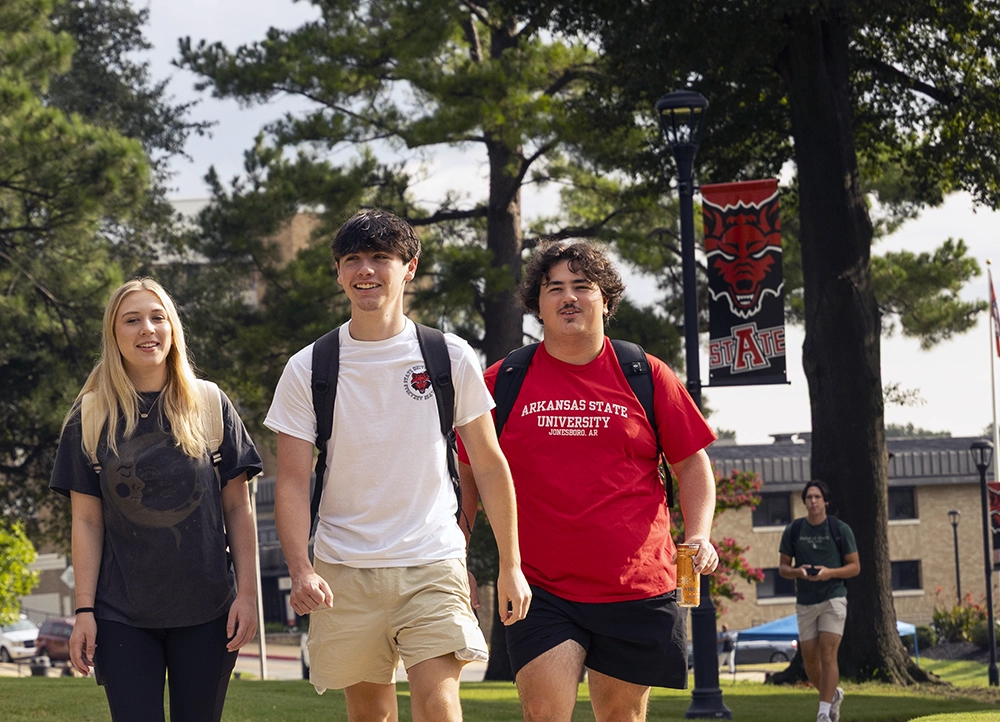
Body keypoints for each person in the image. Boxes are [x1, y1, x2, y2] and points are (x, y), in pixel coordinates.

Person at [265, 209, 531, 722]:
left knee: (437, 704)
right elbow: (294, 483)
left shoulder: (448, 355)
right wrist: (300, 567)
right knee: (371, 714)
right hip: (343, 567)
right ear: (338, 273)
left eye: (381, 258)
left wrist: (510, 566)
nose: (367, 271)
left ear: (409, 267)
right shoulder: (308, 367)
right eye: (353, 260)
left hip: (431, 560)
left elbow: (491, 466)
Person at [459, 240, 721, 722]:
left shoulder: (646, 372)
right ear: (537, 304)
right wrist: (458, 555)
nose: (568, 297)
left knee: (623, 717)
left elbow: (692, 464)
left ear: (606, 299)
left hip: (637, 585)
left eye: (582, 286)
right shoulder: (505, 379)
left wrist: (699, 533)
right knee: (544, 713)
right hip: (539, 586)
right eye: (553, 287)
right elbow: (469, 472)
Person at [49, 278, 263, 722]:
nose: (147, 329)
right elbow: (87, 523)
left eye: (157, 317)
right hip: (120, 614)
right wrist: (84, 611)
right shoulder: (89, 416)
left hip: (208, 611)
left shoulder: (209, 404)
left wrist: (248, 594)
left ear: (172, 328)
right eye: (132, 320)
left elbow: (238, 509)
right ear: (114, 334)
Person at [779, 480, 860, 722]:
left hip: (833, 597)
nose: (812, 501)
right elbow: (783, 568)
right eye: (808, 497)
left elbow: (855, 567)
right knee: (810, 661)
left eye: (817, 497)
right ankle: (832, 695)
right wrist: (798, 571)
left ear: (826, 501)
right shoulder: (794, 530)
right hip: (805, 601)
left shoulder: (840, 529)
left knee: (828, 654)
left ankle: (823, 713)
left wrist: (829, 572)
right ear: (804, 502)